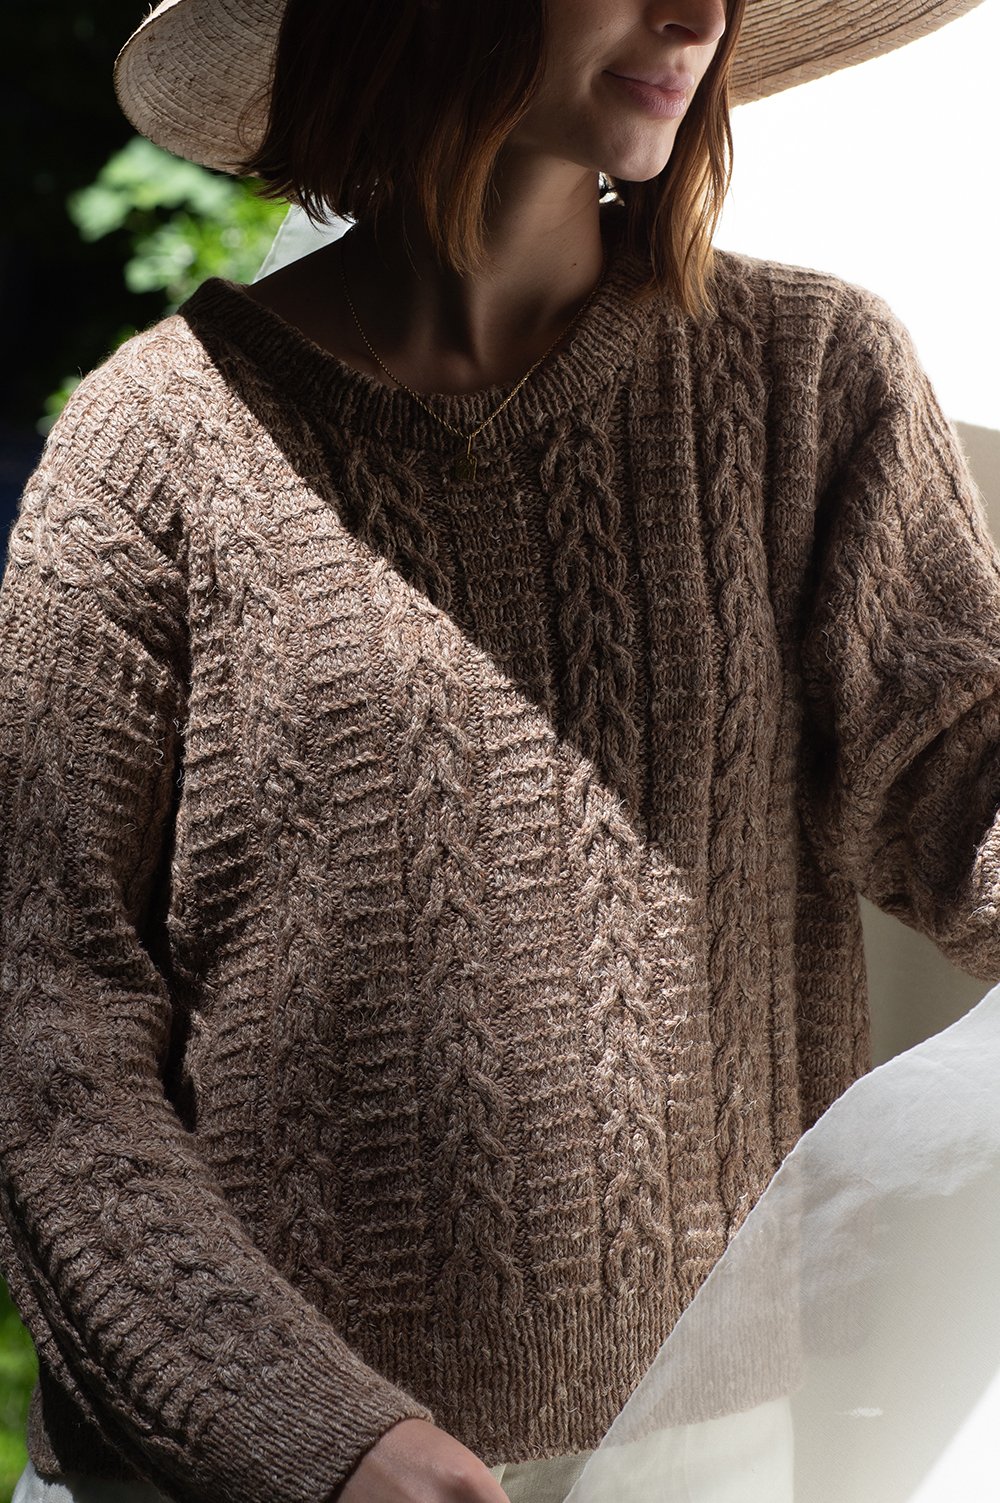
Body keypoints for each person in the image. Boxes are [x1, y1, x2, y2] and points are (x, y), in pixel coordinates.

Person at [0, 0, 994, 1501]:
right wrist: (306, 1431)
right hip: (243, 1467)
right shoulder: (155, 447)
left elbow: (962, 785)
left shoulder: (808, 377)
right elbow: (46, 1025)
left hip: (686, 1452)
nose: (696, 13)